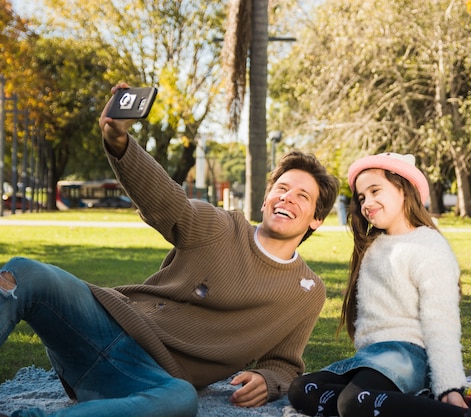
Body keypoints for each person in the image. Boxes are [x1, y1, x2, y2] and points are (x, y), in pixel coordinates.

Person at [0, 83, 339, 417]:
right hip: (103, 324)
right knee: (25, 273)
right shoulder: (220, 226)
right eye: (281, 188)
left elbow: (285, 362)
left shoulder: (307, 292)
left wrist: (269, 380)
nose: (287, 198)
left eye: (302, 196)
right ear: (266, 199)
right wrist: (119, 142)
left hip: (150, 377)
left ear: (316, 220)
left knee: (180, 400)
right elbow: (166, 200)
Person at [288, 152, 471, 417]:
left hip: (408, 356)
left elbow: (442, 323)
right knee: (302, 389)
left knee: (352, 402)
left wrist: (449, 387)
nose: (367, 203)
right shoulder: (373, 247)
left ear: (404, 190)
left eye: (375, 191)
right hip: (373, 359)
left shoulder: (428, 246)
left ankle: (470, 415)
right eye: (362, 197)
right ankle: (414, 405)